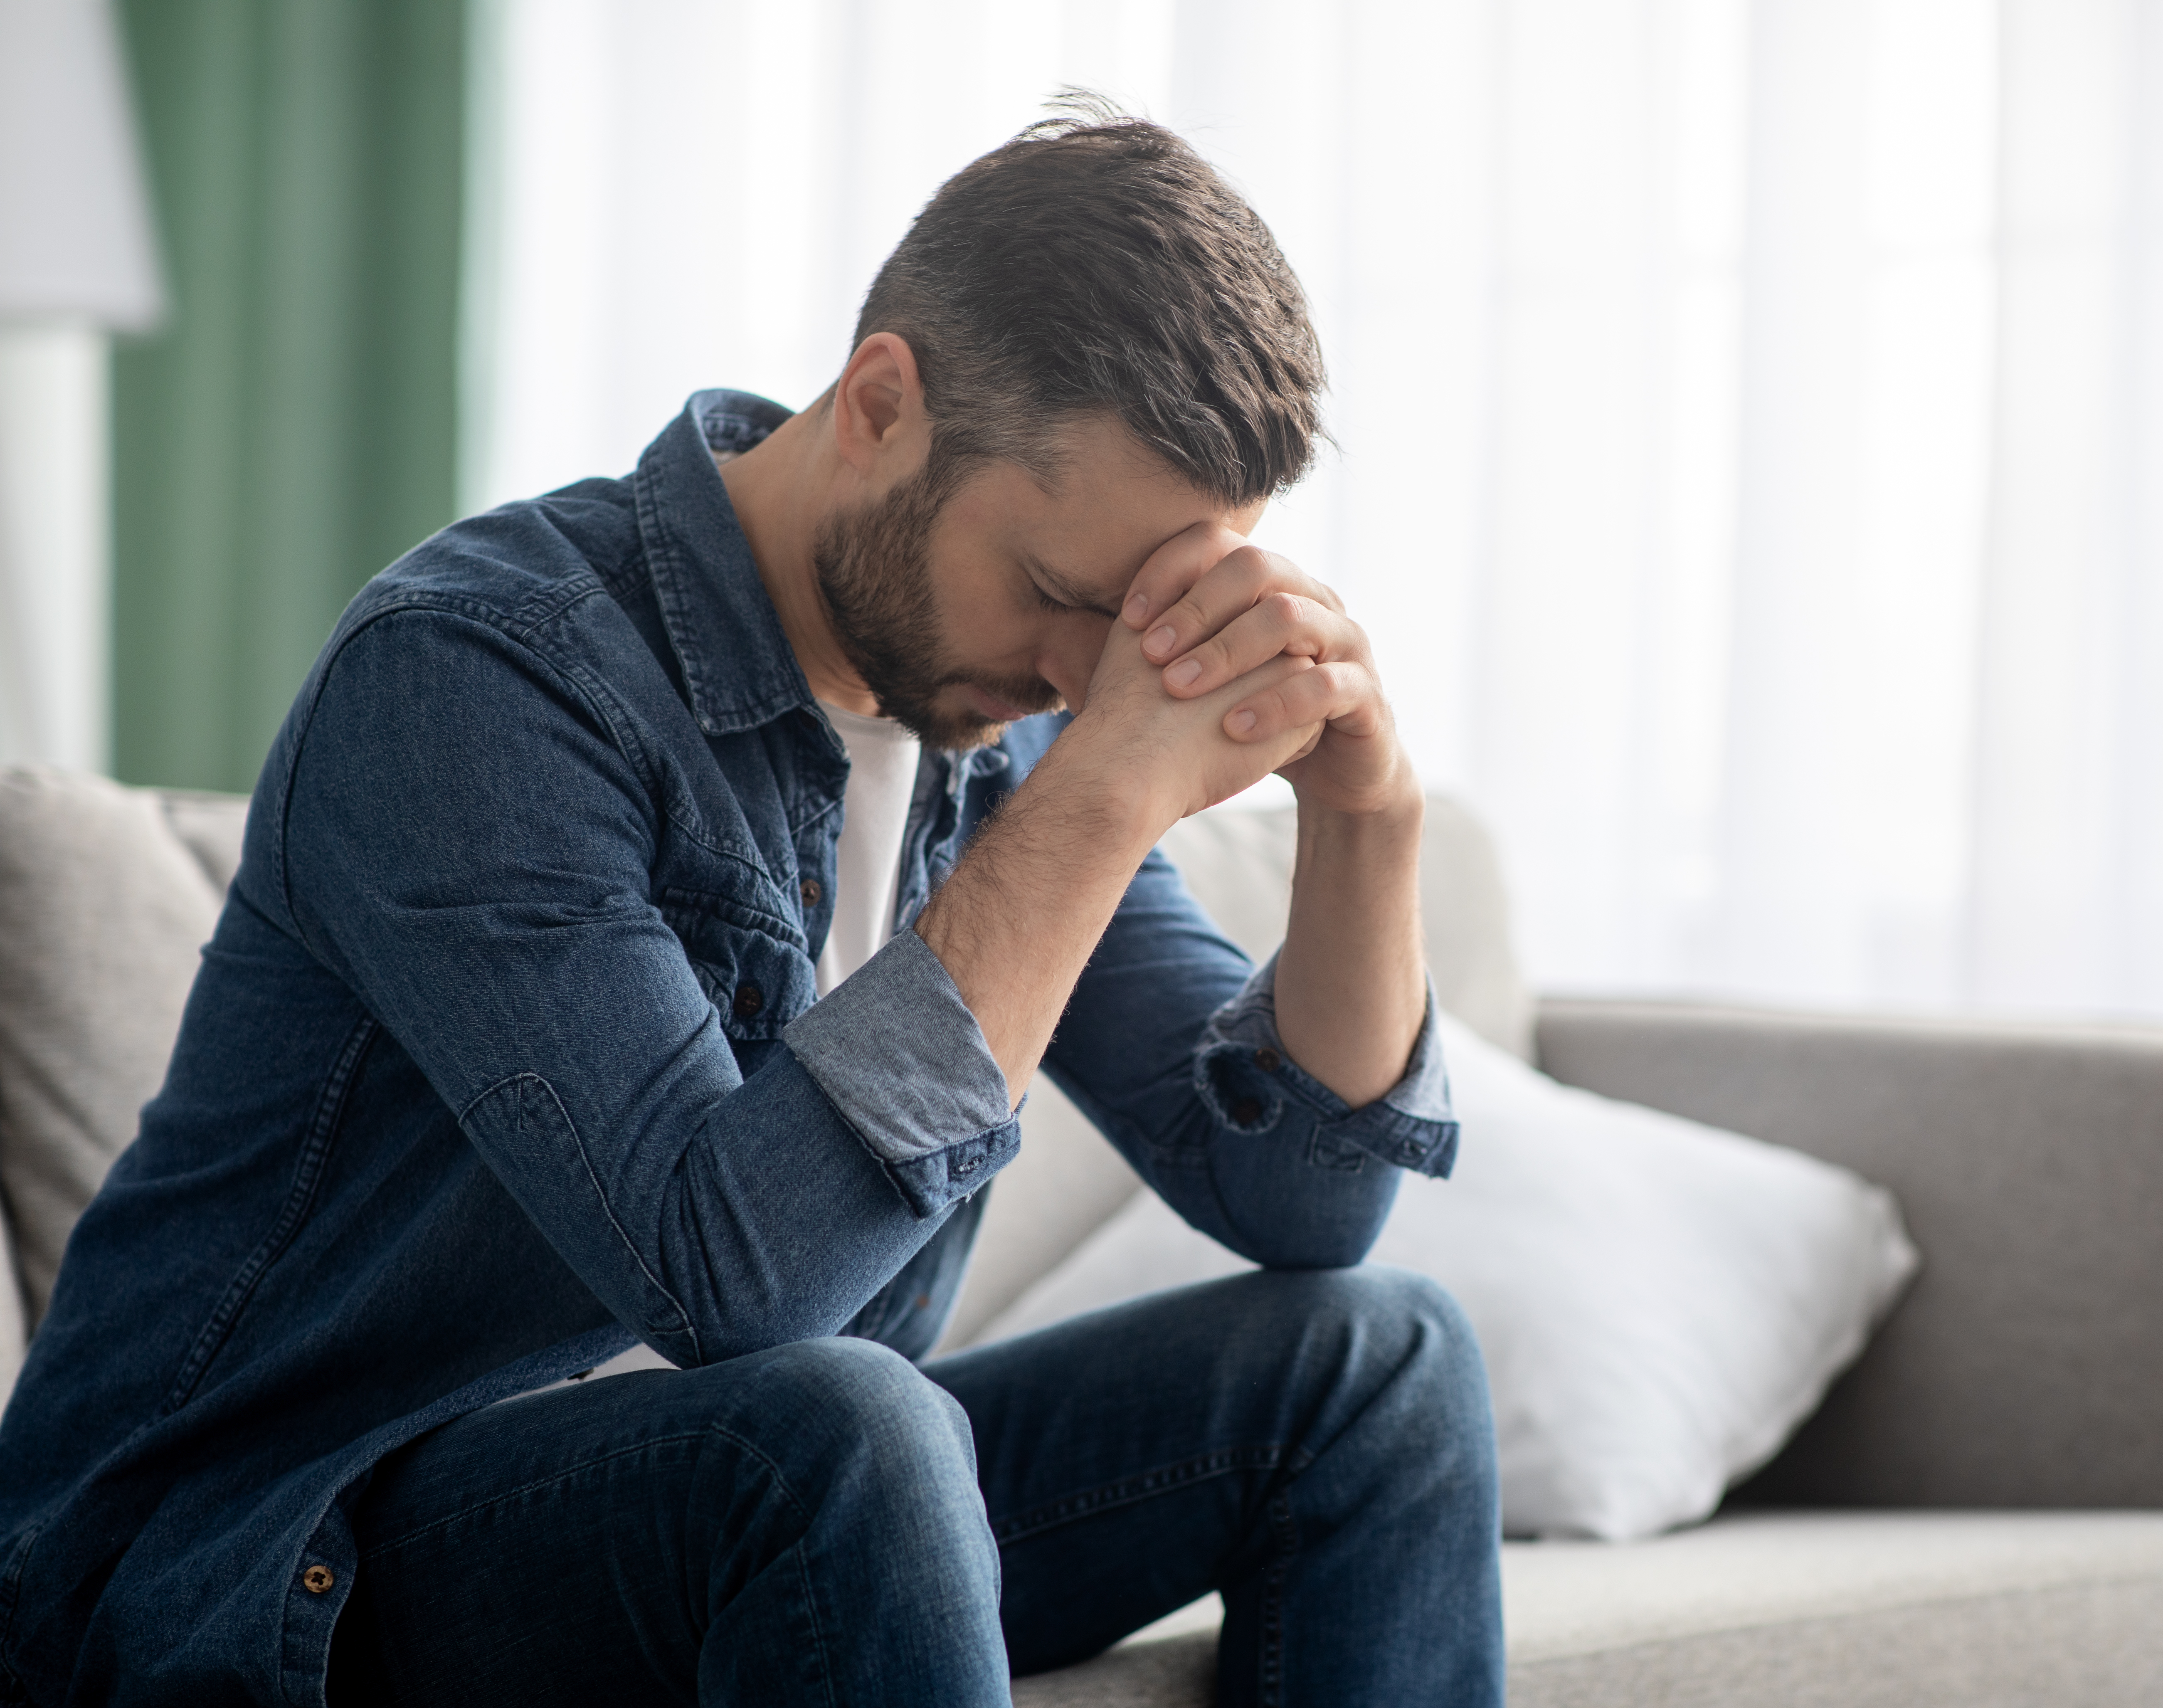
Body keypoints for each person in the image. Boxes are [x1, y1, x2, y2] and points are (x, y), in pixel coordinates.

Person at [0, 106, 1503, 1706]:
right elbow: (735, 1284)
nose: (1087, 681)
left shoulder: (999, 740)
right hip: (260, 1557)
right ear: (880, 404)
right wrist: (1101, 799)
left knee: (1381, 1365)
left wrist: (1368, 815)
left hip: (740, 1507)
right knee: (844, 1426)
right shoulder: (479, 674)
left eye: (1138, 619)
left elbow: (1303, 1205)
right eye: (1063, 596)